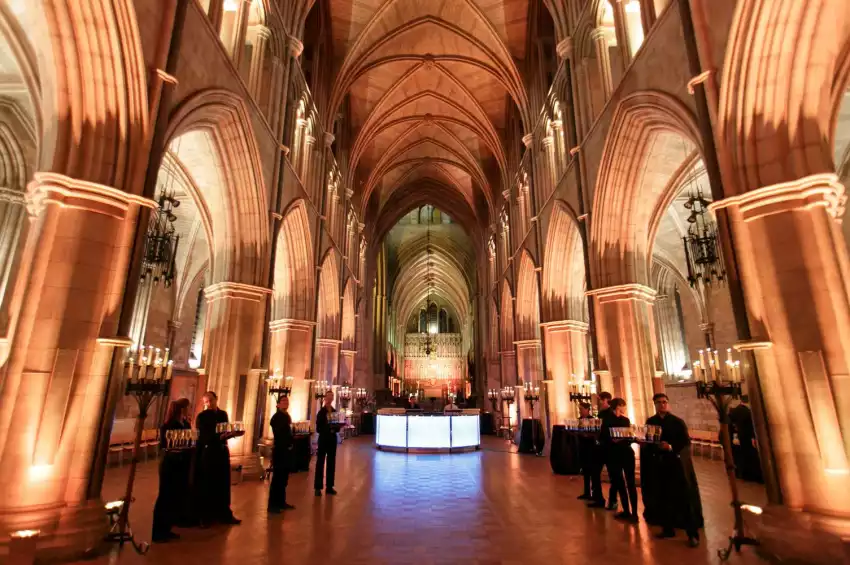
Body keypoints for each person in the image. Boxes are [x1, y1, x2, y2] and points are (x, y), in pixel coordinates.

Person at [646, 393, 704, 547]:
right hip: (660, 464)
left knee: (684, 499)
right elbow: (649, 440)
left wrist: (670, 447)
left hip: (676, 464)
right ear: (655, 405)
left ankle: (692, 534)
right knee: (664, 498)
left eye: (664, 402)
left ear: (668, 403)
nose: (662, 405)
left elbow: (685, 442)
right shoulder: (651, 422)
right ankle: (667, 528)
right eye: (659, 402)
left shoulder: (677, 422)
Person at [195, 391, 241, 526]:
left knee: (223, 483)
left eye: (211, 400)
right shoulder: (202, 416)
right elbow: (202, 435)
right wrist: (217, 437)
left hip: (221, 451)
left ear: (216, 399)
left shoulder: (223, 414)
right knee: (208, 483)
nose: (209, 403)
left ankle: (224, 514)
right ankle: (206, 516)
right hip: (209, 452)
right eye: (206, 402)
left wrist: (231, 434)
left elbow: (225, 430)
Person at [152, 398, 192, 542]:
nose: (189, 410)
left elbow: (190, 440)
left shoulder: (186, 423)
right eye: (187, 408)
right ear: (181, 409)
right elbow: (165, 444)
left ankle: (168, 526)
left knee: (176, 495)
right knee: (165, 496)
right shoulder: (168, 425)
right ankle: (158, 531)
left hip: (182, 463)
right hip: (170, 463)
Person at [605, 398, 639, 523]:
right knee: (622, 483)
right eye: (623, 406)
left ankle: (632, 512)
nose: (624, 408)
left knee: (628, 483)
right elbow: (605, 437)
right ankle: (628, 511)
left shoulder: (624, 420)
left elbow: (627, 435)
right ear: (618, 406)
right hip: (616, 454)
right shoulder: (609, 420)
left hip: (623, 453)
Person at [588, 391, 617, 510]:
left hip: (610, 447)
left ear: (606, 400)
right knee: (595, 473)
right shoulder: (601, 414)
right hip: (601, 447)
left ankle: (612, 500)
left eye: (600, 400)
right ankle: (599, 498)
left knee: (613, 475)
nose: (599, 402)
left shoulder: (612, 414)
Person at [268, 395, 295, 513]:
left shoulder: (286, 416)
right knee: (277, 478)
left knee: (284, 478)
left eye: (287, 401)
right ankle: (273, 505)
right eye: (283, 401)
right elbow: (280, 433)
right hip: (280, 450)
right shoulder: (277, 417)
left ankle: (281, 501)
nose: (286, 402)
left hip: (286, 451)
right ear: (278, 404)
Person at [728, 401, 763, 483]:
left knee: (740, 457)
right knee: (750, 457)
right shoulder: (748, 412)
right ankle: (752, 475)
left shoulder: (734, 412)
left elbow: (729, 426)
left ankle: (741, 474)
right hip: (747, 439)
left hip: (737, 439)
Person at [314, 390, 339, 496]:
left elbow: (337, 425)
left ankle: (329, 486)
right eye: (328, 396)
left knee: (331, 462)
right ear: (325, 398)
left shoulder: (334, 411)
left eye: (332, 396)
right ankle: (318, 487)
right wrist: (328, 429)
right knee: (320, 462)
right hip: (324, 439)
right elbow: (318, 428)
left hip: (332, 440)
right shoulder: (321, 412)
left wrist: (336, 428)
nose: (330, 398)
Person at [576, 402, 596, 501]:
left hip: (590, 447)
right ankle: (586, 491)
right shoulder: (579, 420)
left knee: (591, 470)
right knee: (585, 470)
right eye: (579, 409)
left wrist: (586, 435)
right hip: (582, 446)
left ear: (587, 409)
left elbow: (594, 433)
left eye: (581, 409)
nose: (580, 411)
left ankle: (594, 492)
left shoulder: (592, 420)